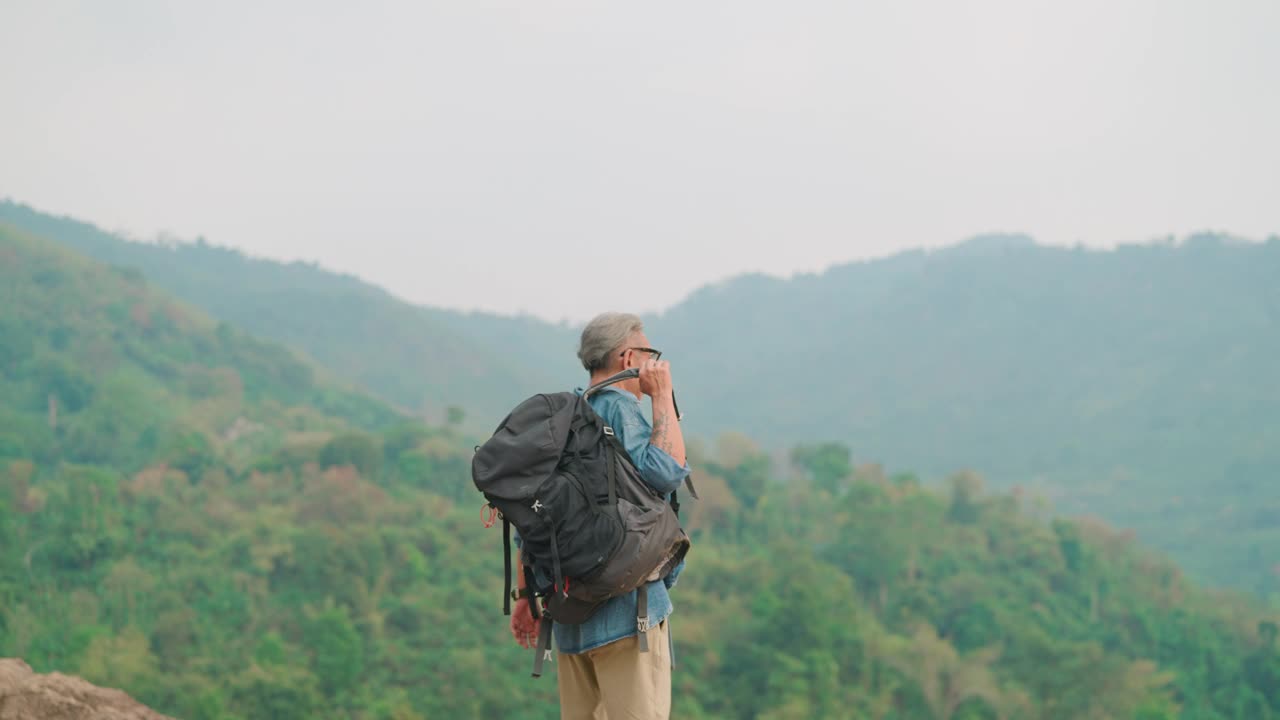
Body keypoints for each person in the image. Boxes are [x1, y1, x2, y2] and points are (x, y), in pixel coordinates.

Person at [510, 311, 690, 720]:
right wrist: (663, 395)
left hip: (570, 615)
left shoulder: (566, 417)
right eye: (650, 354)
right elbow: (666, 471)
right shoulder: (620, 411)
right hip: (628, 617)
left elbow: (529, 522)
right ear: (629, 358)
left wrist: (526, 598)